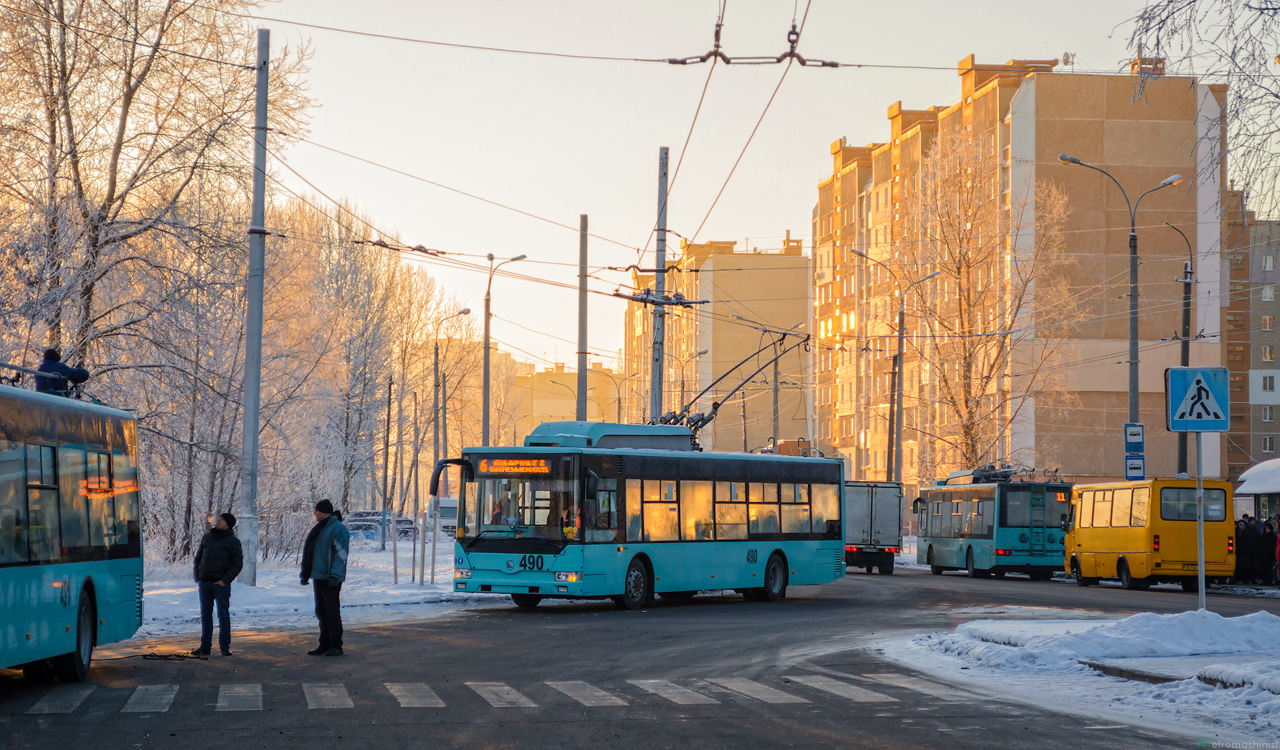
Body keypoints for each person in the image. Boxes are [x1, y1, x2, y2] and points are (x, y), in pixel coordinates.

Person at [191, 513, 243, 657]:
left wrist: (224, 580)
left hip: (220, 585)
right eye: (218, 518)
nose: (218, 521)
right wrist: (198, 577)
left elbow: (237, 564)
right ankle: (205, 646)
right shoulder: (207, 538)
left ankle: (225, 647)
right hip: (205, 583)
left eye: (221, 520)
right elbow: (198, 558)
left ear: (227, 524)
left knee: (223, 615)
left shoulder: (233, 541)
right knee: (206, 616)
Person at [301, 499, 348, 656]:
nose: (314, 513)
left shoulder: (337, 529)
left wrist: (335, 575)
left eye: (317, 510)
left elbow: (341, 555)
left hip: (330, 577)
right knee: (321, 611)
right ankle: (325, 644)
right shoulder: (322, 528)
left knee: (331, 612)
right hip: (319, 576)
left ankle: (336, 645)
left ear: (324, 512)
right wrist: (307, 573)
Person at [1259, 521, 1278, 586]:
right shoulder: (1263, 536)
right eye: (1266, 529)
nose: (1267, 530)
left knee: (1269, 569)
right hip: (1264, 555)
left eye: (1268, 529)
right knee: (1264, 568)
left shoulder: (1273, 537)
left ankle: (1269, 580)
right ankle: (1265, 580)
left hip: (1270, 555)